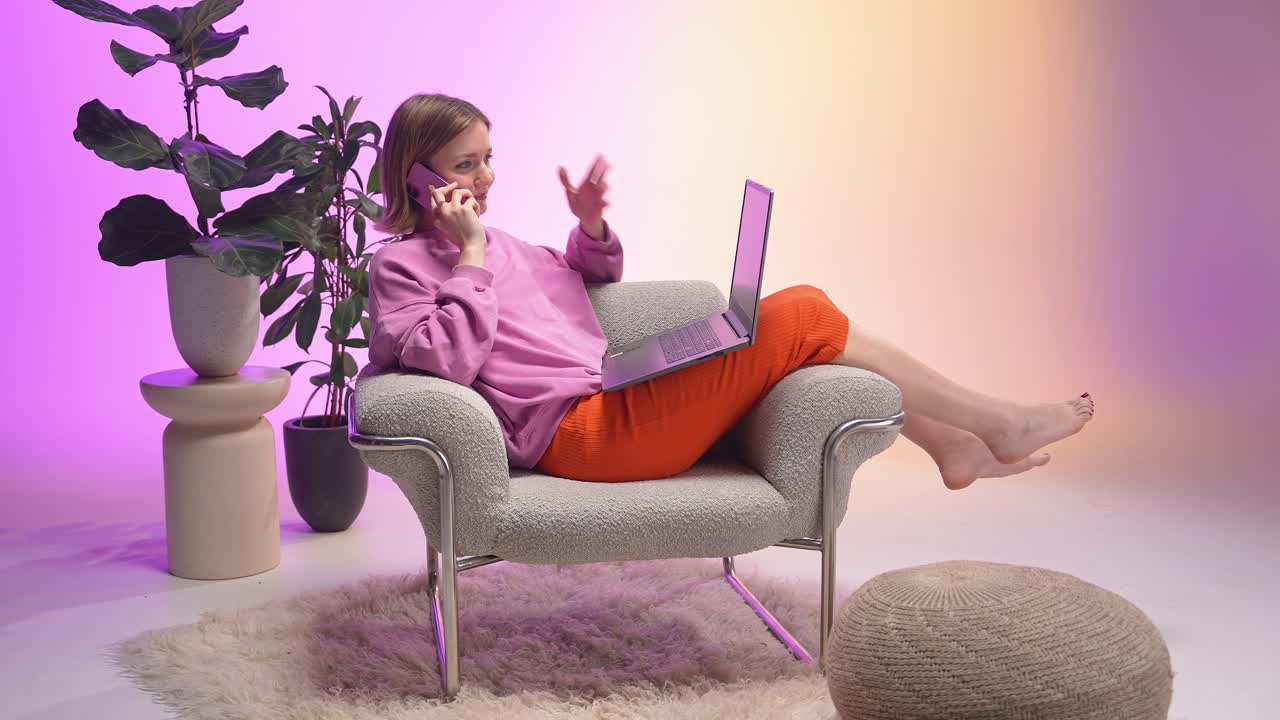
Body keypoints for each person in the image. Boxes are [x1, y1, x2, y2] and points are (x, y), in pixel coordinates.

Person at [367, 93, 1094, 489]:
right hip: (582, 437)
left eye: (489, 158)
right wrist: (464, 257)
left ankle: (950, 446)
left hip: (616, 391)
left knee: (801, 340)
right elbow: (444, 364)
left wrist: (590, 226)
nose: (486, 178)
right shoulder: (402, 266)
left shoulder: (505, 244)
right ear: (417, 176)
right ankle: (995, 423)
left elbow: (587, 281)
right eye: (465, 165)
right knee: (805, 310)